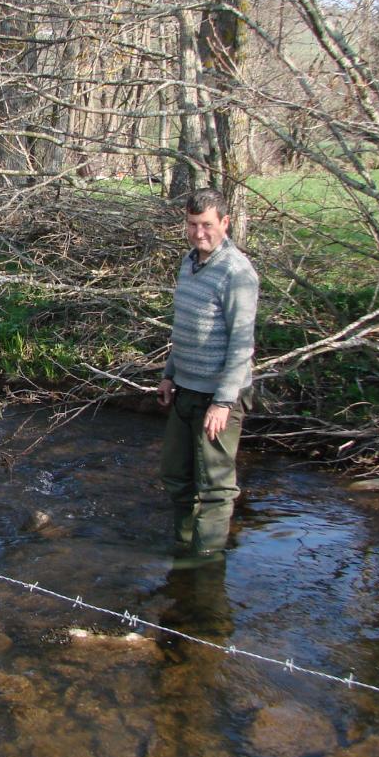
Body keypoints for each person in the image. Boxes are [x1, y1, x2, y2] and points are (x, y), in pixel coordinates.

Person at [155, 187, 258, 566]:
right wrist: (169, 374)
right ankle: (184, 547)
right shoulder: (189, 262)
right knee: (176, 475)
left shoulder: (237, 272)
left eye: (208, 225)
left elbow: (242, 344)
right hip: (186, 387)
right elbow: (184, 328)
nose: (200, 233)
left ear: (225, 223)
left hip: (220, 396)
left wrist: (223, 402)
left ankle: (206, 563)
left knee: (214, 486)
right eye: (193, 224)